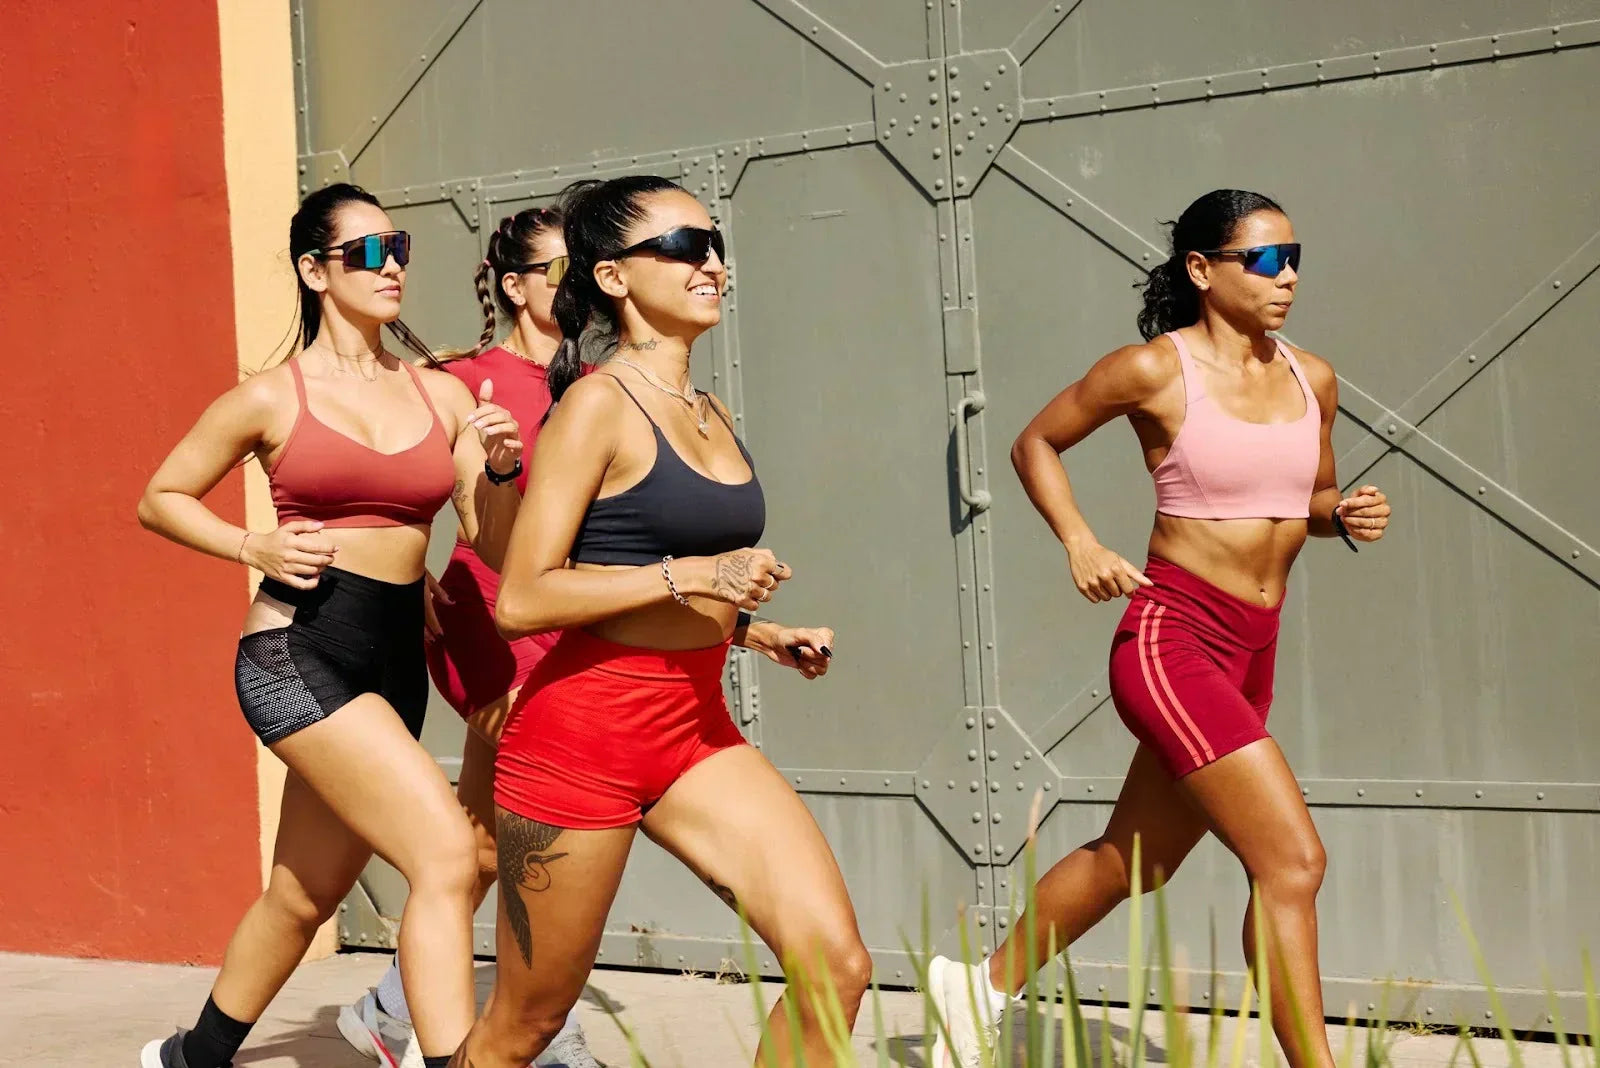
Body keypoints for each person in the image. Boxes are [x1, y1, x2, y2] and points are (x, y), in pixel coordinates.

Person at [927, 189, 1392, 1068]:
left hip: (1255, 646)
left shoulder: (1312, 377)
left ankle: (977, 988)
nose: (1285, 276)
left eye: (1295, 258)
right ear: (1203, 270)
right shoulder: (1154, 371)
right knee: (1292, 863)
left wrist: (1345, 513)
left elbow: (1310, 502)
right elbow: (1035, 442)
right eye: (1262, 260)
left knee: (1133, 863)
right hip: (1172, 641)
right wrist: (1080, 541)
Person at [449, 176, 873, 1068]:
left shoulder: (708, 411)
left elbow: (653, 574)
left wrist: (752, 630)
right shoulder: (597, 406)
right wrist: (696, 573)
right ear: (612, 276)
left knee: (835, 968)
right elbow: (524, 595)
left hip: (694, 729)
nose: (711, 263)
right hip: (579, 742)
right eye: (683, 247)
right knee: (519, 1032)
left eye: (716, 244)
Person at [137, 183, 525, 1068]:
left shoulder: (443, 396)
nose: (393, 268)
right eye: (369, 253)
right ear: (315, 271)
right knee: (445, 856)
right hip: (295, 649)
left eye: (401, 248)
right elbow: (158, 498)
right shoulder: (272, 398)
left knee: (301, 898)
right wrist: (252, 544)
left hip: (393, 663)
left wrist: (499, 472)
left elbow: (488, 541)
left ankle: (189, 1059)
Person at [336, 204, 602, 1067]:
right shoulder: (465, 378)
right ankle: (511, 1037)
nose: (577, 284)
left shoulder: (588, 385)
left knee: (485, 845)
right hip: (484, 626)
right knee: (543, 836)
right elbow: (393, 473)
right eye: (557, 269)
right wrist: (401, 571)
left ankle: (388, 1009)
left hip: (555, 627)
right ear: (516, 285)